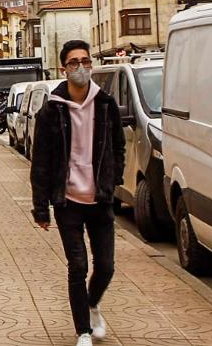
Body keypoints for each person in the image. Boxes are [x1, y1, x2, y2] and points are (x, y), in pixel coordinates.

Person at [30, 39, 125, 346]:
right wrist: (41, 209)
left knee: (106, 266)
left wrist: (113, 181)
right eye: (74, 63)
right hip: (68, 201)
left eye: (85, 61)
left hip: (99, 200)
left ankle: (93, 303)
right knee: (78, 266)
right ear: (64, 69)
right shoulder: (51, 111)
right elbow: (41, 162)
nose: (81, 67)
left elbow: (118, 147)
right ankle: (83, 330)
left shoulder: (106, 104)